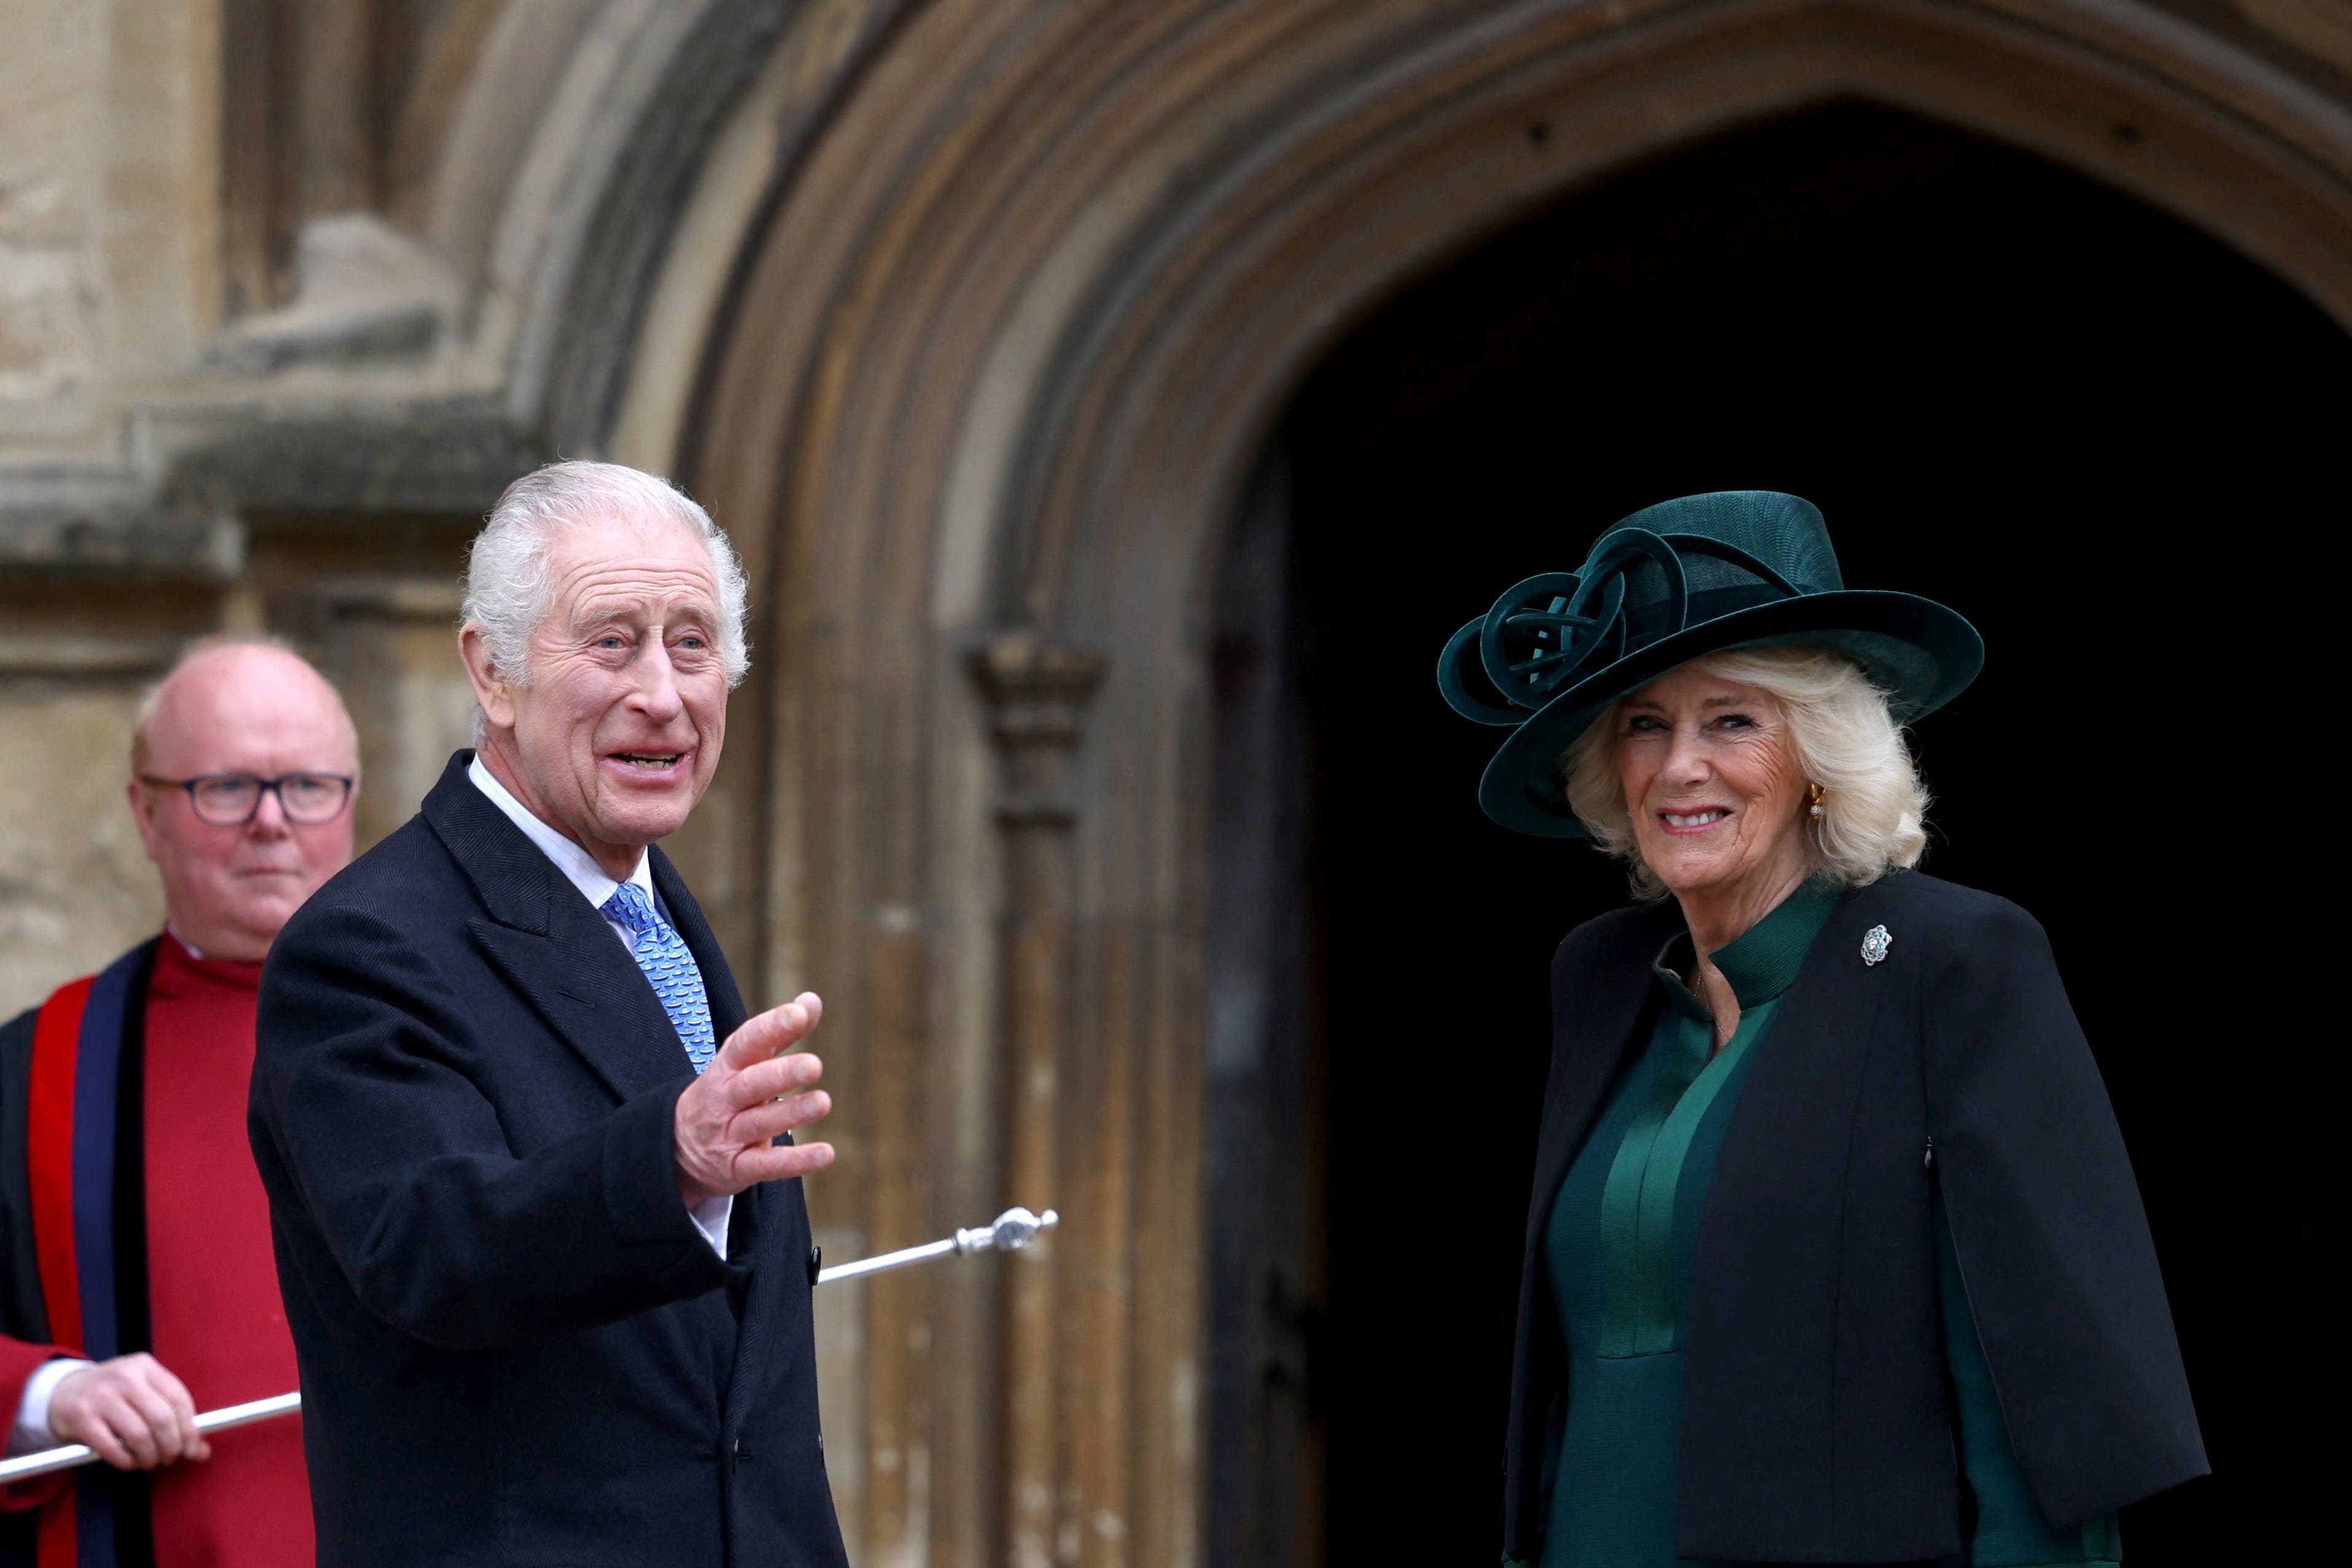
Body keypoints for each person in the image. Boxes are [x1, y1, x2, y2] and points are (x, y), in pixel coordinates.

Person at [1436, 491, 2206, 1567]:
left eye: (1732, 719)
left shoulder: (1955, 961)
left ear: (1817, 751)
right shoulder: (1600, 978)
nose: (1678, 765)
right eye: (1643, 723)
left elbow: (2033, 1384)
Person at [249, 461, 849, 1568]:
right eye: (612, 640)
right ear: (495, 671)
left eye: (693, 642)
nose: (661, 693)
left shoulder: (653, 911)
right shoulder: (365, 946)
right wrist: (666, 1158)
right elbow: (430, 1249)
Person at [1, 637, 358, 1568]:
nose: (272, 822)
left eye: (309, 785)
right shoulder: (38, 1068)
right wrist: (48, 1394)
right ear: (147, 813)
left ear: (352, 805)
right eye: (226, 786)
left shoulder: (477, 1036)